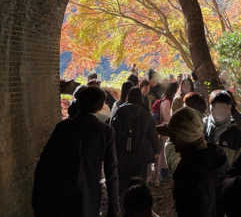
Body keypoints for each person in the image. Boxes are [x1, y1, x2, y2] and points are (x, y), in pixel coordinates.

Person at [33, 85, 121, 217]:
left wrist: (38, 196)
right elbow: (111, 171)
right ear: (100, 106)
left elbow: (45, 163)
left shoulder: (63, 127)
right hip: (89, 195)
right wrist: (114, 207)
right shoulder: (105, 132)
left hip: (62, 192)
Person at [157, 107, 227, 217]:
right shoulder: (215, 158)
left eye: (174, 137)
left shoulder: (190, 173)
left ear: (185, 137)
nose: (172, 141)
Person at [110, 88, 160, 196]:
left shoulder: (119, 111)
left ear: (128, 96)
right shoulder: (145, 114)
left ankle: (123, 203)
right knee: (139, 180)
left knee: (123, 181)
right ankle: (138, 202)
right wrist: (156, 151)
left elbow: (112, 132)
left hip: (121, 153)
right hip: (141, 154)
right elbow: (153, 135)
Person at [164, 92, 209, 173]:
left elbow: (175, 164)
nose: (181, 110)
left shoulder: (188, 129)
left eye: (184, 108)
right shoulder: (207, 124)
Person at [204, 90, 241, 170]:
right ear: (210, 108)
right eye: (215, 107)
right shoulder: (201, 126)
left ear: (229, 108)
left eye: (223, 107)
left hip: (226, 178)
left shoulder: (237, 134)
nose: (219, 111)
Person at [154, 82, 179, 183]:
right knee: (163, 154)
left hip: (164, 128)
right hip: (166, 129)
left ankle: (160, 176)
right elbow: (167, 118)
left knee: (163, 154)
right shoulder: (167, 102)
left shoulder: (164, 100)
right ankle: (159, 177)